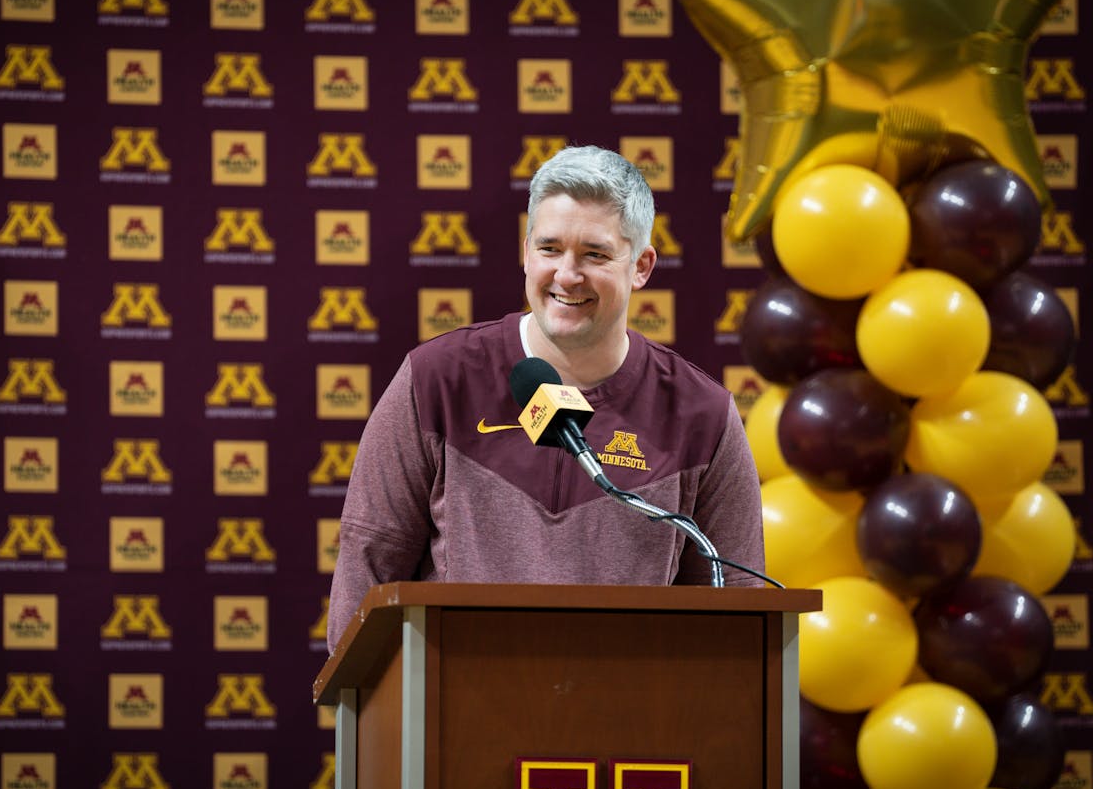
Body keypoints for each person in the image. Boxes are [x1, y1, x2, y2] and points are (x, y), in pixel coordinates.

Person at [326, 145, 765, 652]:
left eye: (595, 254)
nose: (567, 275)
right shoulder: (436, 380)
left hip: (633, 719)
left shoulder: (701, 414)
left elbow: (738, 608)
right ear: (526, 250)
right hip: (455, 717)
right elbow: (368, 565)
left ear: (641, 265)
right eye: (550, 249)